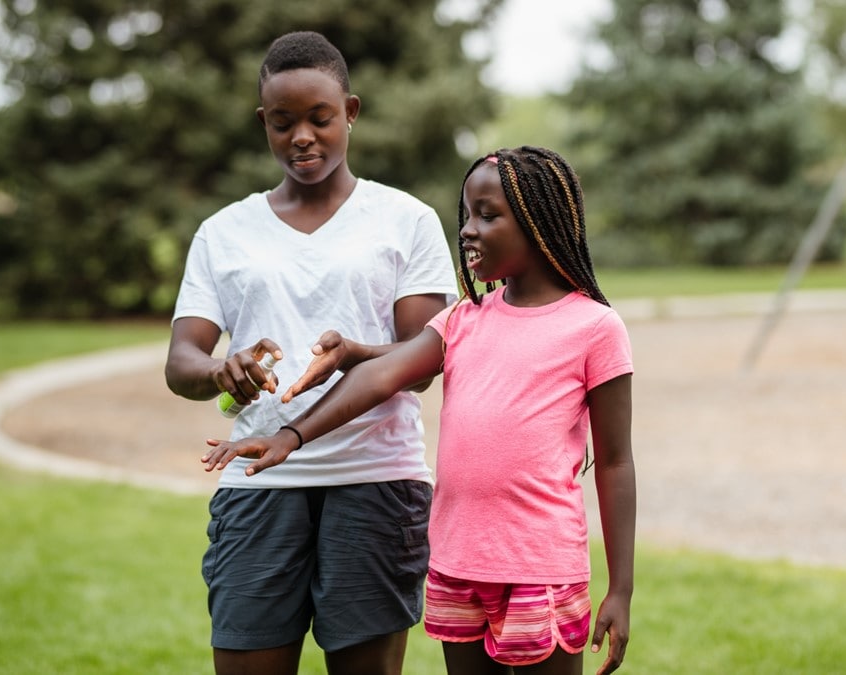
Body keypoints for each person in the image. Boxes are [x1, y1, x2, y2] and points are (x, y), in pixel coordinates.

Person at [203, 146, 637, 675]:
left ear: (538, 222)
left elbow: (615, 464)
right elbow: (382, 374)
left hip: (541, 569)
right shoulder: (464, 319)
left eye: (487, 215)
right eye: (467, 215)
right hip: (459, 567)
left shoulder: (594, 328)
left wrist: (621, 589)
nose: (467, 230)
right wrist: (289, 436)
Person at [164, 30, 458, 675]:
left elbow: (427, 357)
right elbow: (181, 361)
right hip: (260, 481)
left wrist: (355, 352)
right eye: (282, 121)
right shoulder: (224, 232)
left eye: (320, 118)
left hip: (376, 480)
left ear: (350, 112)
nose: (302, 136)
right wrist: (219, 368)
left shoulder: (404, 220)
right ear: (262, 122)